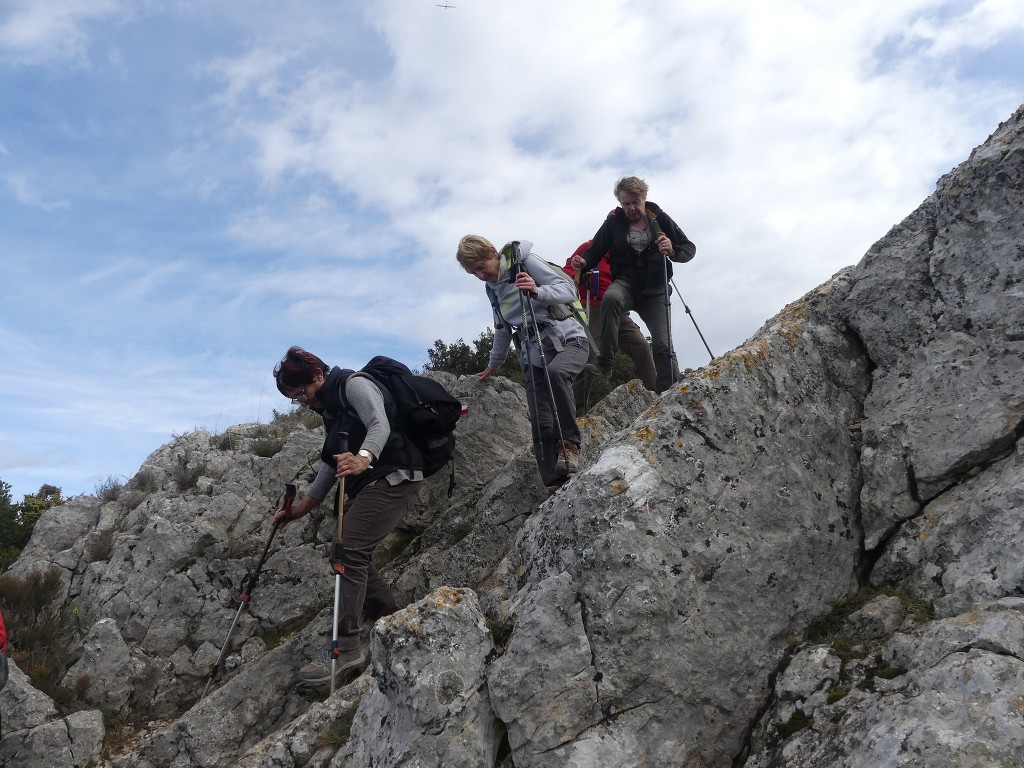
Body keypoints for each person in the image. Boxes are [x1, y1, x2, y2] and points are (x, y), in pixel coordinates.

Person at [271, 346, 423, 690]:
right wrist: (298, 511)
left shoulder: (354, 385)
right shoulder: (331, 411)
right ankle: (389, 615)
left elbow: (378, 423)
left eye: (301, 393)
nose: (302, 402)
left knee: (348, 551)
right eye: (295, 399)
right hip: (372, 484)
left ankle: (345, 647)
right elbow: (329, 465)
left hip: (396, 478)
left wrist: (364, 457)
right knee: (347, 550)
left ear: (318, 377)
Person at [456, 235, 589, 494]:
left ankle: (570, 446)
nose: (481, 274)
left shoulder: (525, 262)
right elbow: (502, 330)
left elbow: (568, 289)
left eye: (482, 266)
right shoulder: (492, 290)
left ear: (494, 252)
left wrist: (538, 291)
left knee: (556, 373)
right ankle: (552, 481)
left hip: (568, 339)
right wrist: (494, 364)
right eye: (474, 272)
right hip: (531, 352)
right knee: (540, 418)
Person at [571, 176, 696, 393]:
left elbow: (688, 248)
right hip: (626, 284)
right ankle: (605, 360)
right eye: (626, 203)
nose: (631, 208)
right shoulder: (613, 222)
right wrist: (583, 261)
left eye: (635, 202)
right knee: (611, 298)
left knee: (663, 345)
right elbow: (594, 251)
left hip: (655, 290)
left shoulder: (659, 218)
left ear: (644, 198)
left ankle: (669, 392)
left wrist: (673, 250)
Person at [562, 240, 657, 410]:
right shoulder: (589, 248)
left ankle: (655, 397)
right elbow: (566, 273)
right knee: (590, 355)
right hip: (591, 306)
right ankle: (576, 413)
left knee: (641, 346)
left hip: (615, 310)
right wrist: (580, 274)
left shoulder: (627, 252)